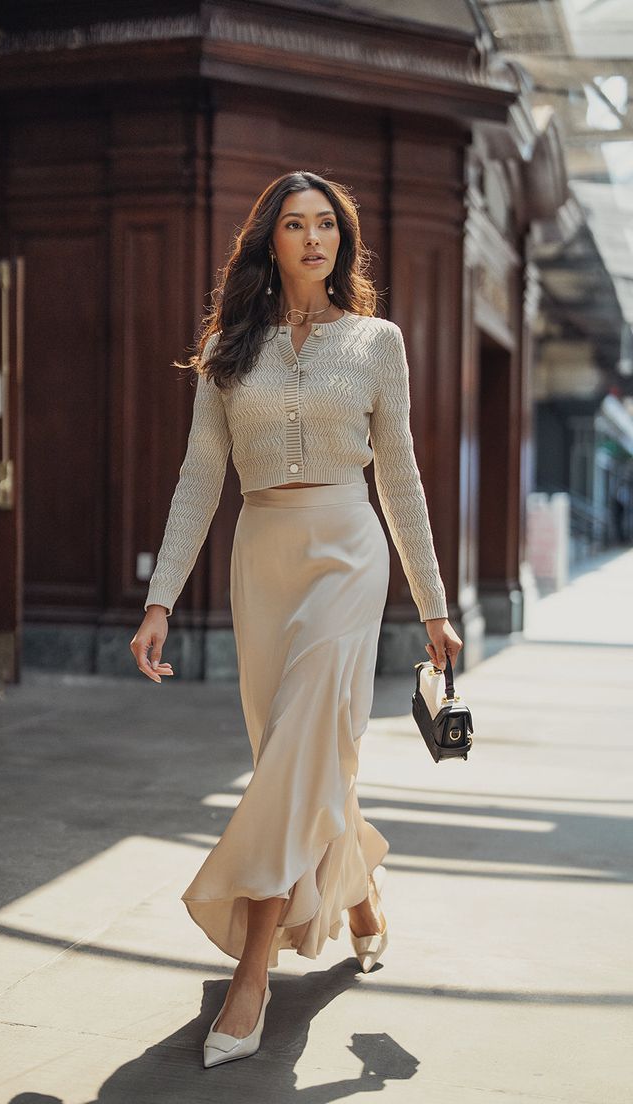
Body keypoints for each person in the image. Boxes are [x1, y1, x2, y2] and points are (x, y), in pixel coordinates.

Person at [130, 170, 463, 1068]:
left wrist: (433, 603)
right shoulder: (227, 349)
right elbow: (202, 476)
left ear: (341, 243)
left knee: (304, 739)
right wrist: (160, 597)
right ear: (268, 242)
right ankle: (358, 897)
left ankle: (251, 973)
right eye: (294, 224)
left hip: (348, 551)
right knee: (300, 750)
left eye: (327, 225)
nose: (313, 238)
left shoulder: (376, 341)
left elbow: (399, 475)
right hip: (263, 555)